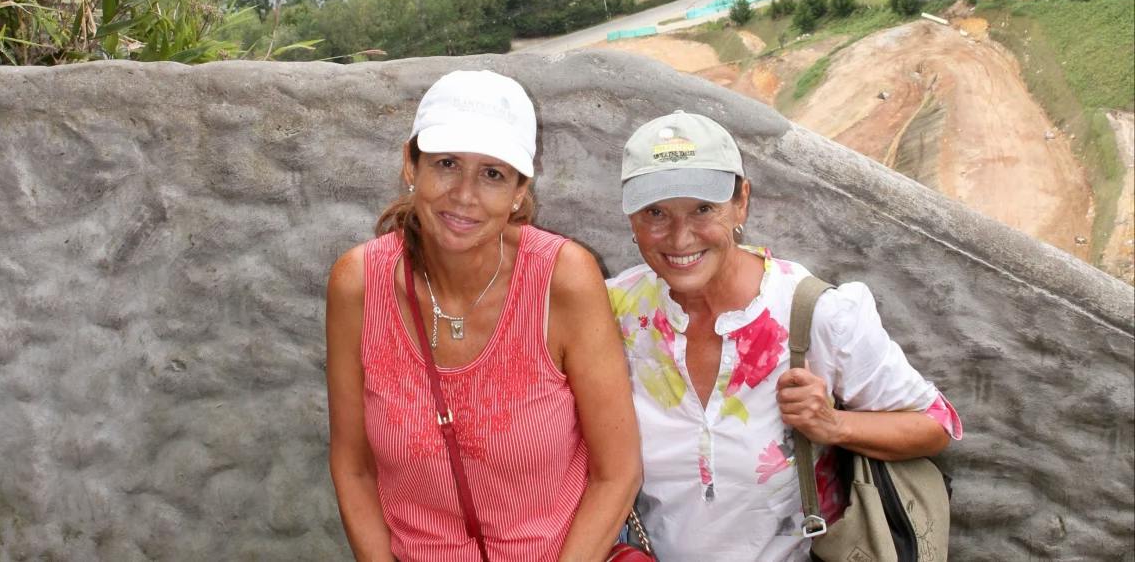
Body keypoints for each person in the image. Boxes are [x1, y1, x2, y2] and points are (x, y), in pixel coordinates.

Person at [607, 110, 962, 562]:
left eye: (703, 208)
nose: (680, 237)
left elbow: (934, 426)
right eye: (656, 213)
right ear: (631, 219)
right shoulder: (612, 312)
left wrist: (832, 425)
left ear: (741, 203)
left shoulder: (815, 313)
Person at [326, 69, 641, 562]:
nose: (465, 195)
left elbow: (617, 472)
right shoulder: (359, 284)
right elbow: (353, 466)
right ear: (411, 165)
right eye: (447, 163)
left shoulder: (562, 278)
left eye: (493, 173)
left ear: (520, 190)